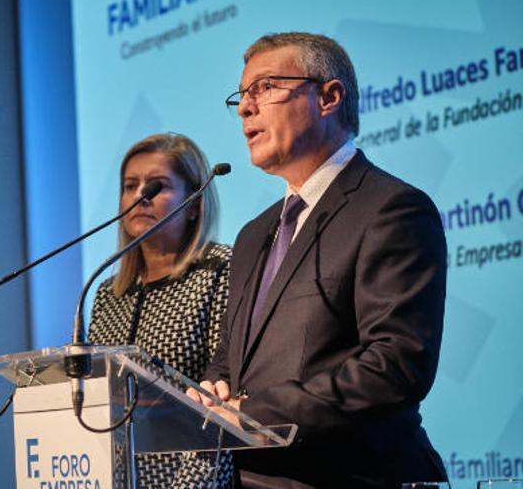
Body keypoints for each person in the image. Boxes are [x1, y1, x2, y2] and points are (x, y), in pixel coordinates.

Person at [186, 32, 448, 488]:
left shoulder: (391, 209)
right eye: (242, 96)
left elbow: (396, 365)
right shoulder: (252, 236)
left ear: (329, 97)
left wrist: (254, 414)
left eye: (264, 88)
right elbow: (231, 362)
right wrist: (211, 394)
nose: (246, 107)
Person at [88, 133, 233, 488]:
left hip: (195, 477)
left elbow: (221, 404)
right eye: (130, 185)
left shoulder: (219, 270)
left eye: (157, 186)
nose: (140, 196)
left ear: (195, 202)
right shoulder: (108, 293)